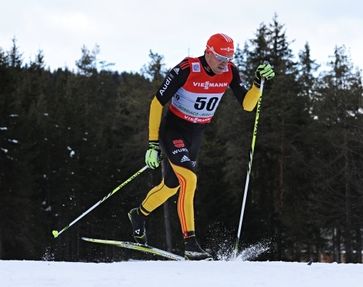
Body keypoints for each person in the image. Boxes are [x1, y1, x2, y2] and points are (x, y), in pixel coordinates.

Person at [128, 33, 275, 260]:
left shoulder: (229, 72)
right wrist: (153, 144)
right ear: (207, 51)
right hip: (173, 130)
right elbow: (157, 102)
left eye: (229, 57)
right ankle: (190, 243)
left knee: (171, 186)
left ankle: (139, 215)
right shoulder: (187, 69)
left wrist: (257, 83)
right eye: (219, 57)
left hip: (195, 135)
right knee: (190, 179)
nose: (224, 62)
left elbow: (247, 105)